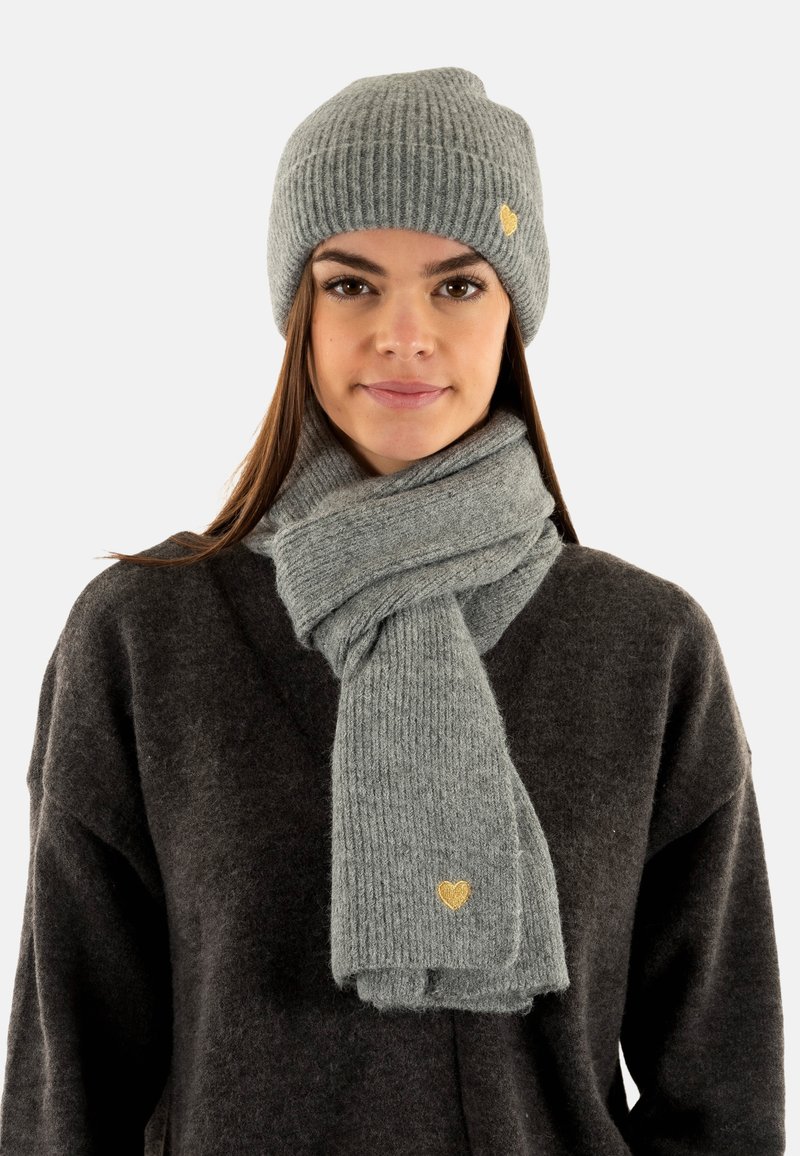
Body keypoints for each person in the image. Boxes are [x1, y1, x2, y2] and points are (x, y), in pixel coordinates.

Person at [0, 66, 785, 1155]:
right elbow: (68, 1087)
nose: (404, 333)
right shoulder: (145, 635)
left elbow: (724, 1097)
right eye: (351, 284)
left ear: (513, 310)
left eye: (456, 285)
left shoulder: (647, 648)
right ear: (299, 311)